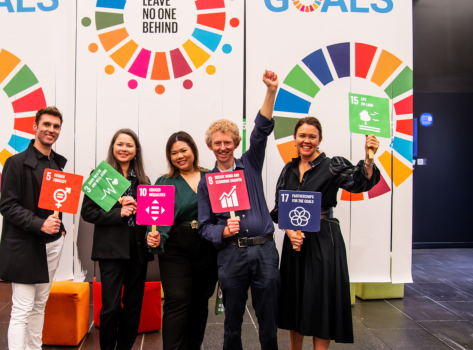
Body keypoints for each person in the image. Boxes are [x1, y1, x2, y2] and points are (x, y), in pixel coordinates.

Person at [270, 117, 381, 350]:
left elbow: (358, 182)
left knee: (320, 301)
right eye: (302, 136)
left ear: (319, 140)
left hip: (323, 239)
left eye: (312, 136)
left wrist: (369, 159)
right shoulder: (288, 169)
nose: (306, 140)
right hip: (294, 240)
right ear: (295, 138)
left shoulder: (332, 165)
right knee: (295, 299)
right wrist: (290, 233)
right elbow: (279, 210)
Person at [197, 70, 280, 350]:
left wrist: (271, 92)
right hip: (231, 254)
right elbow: (205, 225)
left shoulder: (251, 163)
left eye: (228, 142)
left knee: (269, 317)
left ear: (236, 143)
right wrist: (222, 230)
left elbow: (261, 129)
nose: (223, 147)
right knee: (231, 320)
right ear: (210, 146)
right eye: (217, 143)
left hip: (264, 251)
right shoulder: (206, 182)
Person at [0, 106, 68, 350]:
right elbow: (7, 206)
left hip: (52, 245)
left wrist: (61, 229)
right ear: (35, 127)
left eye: (56, 126)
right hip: (25, 245)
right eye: (46, 125)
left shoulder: (57, 166)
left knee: (40, 305)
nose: (51, 130)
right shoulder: (15, 163)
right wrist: (40, 225)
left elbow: (56, 203)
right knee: (22, 308)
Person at [82, 129, 153, 350]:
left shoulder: (143, 179)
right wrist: (118, 213)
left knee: (133, 307)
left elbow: (150, 214)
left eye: (129, 145)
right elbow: (88, 212)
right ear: (113, 146)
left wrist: (150, 222)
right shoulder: (101, 175)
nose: (124, 149)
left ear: (136, 151)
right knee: (110, 307)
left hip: (138, 250)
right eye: (120, 144)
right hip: (110, 250)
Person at [146, 132, 218, 350]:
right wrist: (155, 234)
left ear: (193, 151)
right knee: (177, 300)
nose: (179, 156)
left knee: (199, 302)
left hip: (207, 246)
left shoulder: (211, 177)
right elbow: (156, 219)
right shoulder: (165, 182)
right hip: (176, 248)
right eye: (174, 152)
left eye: (183, 150)